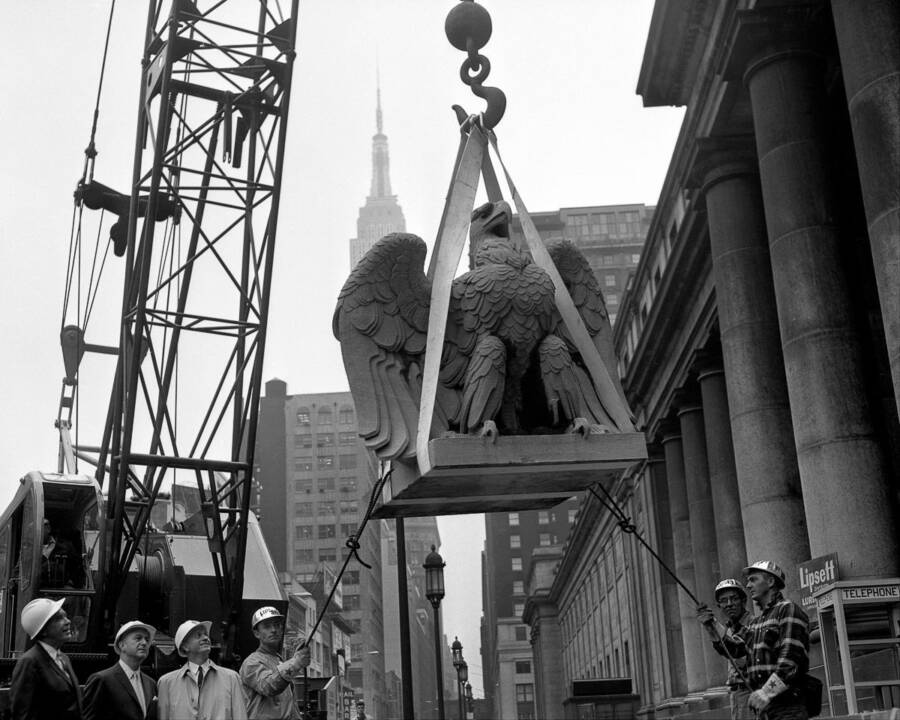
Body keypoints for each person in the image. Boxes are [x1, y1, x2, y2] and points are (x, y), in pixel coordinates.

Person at [698, 560, 810, 720]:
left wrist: (766, 692)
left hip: (788, 706)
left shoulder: (787, 609)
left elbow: (791, 660)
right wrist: (711, 626)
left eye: (753, 579)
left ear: (770, 581)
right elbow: (735, 649)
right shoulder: (758, 622)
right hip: (766, 708)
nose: (748, 585)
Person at [157, 620, 248, 720]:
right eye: (198, 635)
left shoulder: (232, 678)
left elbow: (240, 716)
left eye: (206, 635)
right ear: (185, 646)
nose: (205, 638)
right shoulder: (166, 683)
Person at [10, 597, 83, 720]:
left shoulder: (64, 658)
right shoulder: (29, 662)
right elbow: (22, 714)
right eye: (58, 618)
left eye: (65, 616)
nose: (68, 621)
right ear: (43, 630)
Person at [239, 606, 311, 719]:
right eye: (267, 626)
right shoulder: (251, 662)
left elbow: (291, 709)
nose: (273, 630)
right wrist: (295, 663)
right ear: (256, 633)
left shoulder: (279, 661)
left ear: (282, 630)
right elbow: (268, 686)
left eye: (277, 625)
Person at [699, 578, 752, 720]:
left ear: (743, 601)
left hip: (749, 691)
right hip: (736, 694)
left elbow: (739, 656)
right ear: (719, 606)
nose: (729, 604)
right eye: (724, 601)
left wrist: (713, 625)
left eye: (734, 599)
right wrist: (711, 628)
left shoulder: (752, 624)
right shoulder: (729, 627)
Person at [83, 620, 158, 720]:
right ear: (122, 645)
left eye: (147, 639)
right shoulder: (102, 680)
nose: (144, 643)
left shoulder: (151, 683)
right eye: (138, 638)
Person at [41, 518, 84, 588]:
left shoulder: (66, 547)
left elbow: (77, 570)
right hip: (37, 591)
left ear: (48, 529)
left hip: (60, 591)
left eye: (42, 526)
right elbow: (22, 574)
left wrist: (70, 585)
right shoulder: (28, 548)